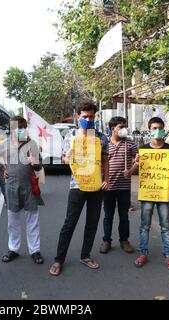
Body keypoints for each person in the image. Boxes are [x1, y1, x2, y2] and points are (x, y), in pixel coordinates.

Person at [49, 102, 109, 276]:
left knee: (92, 223)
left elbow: (105, 160)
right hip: (78, 186)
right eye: (85, 117)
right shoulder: (70, 136)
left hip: (97, 186)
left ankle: (85, 255)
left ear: (95, 117)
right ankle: (59, 259)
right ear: (78, 117)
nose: (88, 119)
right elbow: (63, 158)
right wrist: (66, 158)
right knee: (70, 223)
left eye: (91, 116)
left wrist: (108, 179)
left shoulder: (101, 137)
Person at [0, 116, 44, 264]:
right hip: (12, 186)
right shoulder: (4, 144)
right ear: (11, 129)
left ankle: (35, 251)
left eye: (23, 127)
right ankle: (13, 249)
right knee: (12, 220)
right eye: (17, 128)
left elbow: (39, 166)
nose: (21, 130)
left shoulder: (32, 144)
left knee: (32, 220)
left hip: (29, 186)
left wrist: (35, 164)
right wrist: (2, 169)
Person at [134, 117, 169, 271]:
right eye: (154, 128)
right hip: (147, 193)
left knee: (165, 226)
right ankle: (143, 253)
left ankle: (167, 255)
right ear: (149, 130)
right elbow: (138, 171)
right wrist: (136, 162)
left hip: (163, 194)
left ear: (163, 129)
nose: (157, 131)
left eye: (160, 128)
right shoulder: (143, 150)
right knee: (144, 225)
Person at [99, 117, 137, 254]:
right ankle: (106, 241)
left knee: (124, 215)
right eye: (120, 127)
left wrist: (132, 170)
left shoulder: (130, 144)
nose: (124, 129)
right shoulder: (104, 143)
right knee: (108, 215)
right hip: (108, 186)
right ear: (112, 129)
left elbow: (137, 162)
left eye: (125, 126)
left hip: (124, 187)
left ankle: (124, 240)